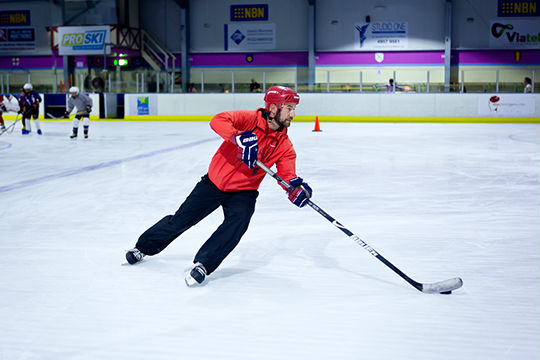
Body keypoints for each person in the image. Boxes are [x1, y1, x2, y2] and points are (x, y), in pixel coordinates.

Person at [125, 86, 312, 287]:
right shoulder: (248, 119)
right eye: (289, 108)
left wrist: (295, 188)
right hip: (213, 184)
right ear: (274, 108)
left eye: (294, 109)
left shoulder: (284, 145)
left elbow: (287, 174)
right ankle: (143, 247)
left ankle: (204, 263)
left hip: (244, 191)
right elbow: (218, 120)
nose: (293, 114)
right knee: (181, 220)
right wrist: (238, 137)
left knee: (239, 222)